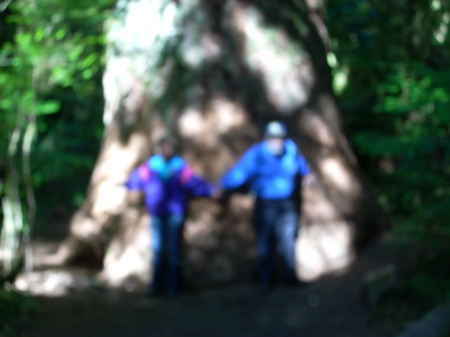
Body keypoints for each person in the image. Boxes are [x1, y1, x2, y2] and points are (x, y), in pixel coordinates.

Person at [219, 121, 314, 293]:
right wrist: (223, 185)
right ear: (266, 138)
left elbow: (300, 164)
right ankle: (266, 281)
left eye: (280, 138)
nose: (277, 141)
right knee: (265, 241)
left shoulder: (290, 149)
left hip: (287, 203)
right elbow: (240, 172)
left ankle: (290, 277)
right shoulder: (257, 153)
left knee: (288, 239)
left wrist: (307, 175)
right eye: (273, 138)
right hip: (265, 203)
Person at [124, 136, 215, 298]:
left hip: (175, 213)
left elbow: (193, 183)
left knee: (173, 250)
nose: (167, 150)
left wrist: (210, 190)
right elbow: (136, 179)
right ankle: (156, 286)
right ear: (158, 149)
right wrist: (126, 184)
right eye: (164, 147)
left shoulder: (179, 167)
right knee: (158, 250)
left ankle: (173, 287)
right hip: (157, 213)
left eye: (169, 147)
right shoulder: (151, 166)